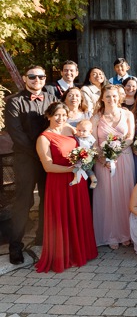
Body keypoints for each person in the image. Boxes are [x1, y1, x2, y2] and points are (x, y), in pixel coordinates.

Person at [33, 102, 97, 273]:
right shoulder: (44, 138)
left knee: (77, 214)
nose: (60, 118)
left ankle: (81, 251)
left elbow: (85, 144)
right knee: (62, 218)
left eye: (63, 115)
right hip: (59, 183)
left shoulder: (69, 129)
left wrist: (86, 160)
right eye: (57, 115)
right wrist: (72, 169)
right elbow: (48, 166)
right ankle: (64, 255)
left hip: (77, 180)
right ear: (49, 116)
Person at [4, 66, 57, 264]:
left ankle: (42, 239)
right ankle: (15, 246)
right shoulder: (14, 102)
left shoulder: (51, 99)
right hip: (26, 160)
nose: (37, 80)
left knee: (47, 200)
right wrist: (40, 153)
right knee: (23, 202)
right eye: (32, 76)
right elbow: (17, 135)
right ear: (25, 78)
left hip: (48, 160)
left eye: (41, 76)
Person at [91, 84, 135, 249]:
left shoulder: (127, 114)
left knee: (125, 194)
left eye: (114, 96)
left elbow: (130, 136)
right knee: (108, 196)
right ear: (102, 98)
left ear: (119, 97)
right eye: (108, 96)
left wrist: (117, 150)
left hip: (124, 157)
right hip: (104, 161)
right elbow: (93, 142)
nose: (111, 99)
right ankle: (111, 235)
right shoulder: (97, 117)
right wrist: (104, 158)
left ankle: (126, 232)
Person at [72, 120, 98, 189]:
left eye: (84, 131)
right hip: (80, 156)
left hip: (88, 158)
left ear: (90, 132)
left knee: (85, 169)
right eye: (79, 130)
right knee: (79, 168)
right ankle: (93, 179)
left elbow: (93, 147)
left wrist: (92, 154)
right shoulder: (77, 137)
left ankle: (92, 179)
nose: (81, 133)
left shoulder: (90, 138)